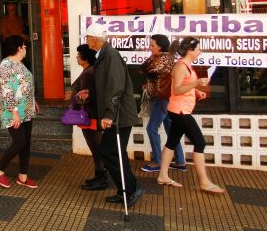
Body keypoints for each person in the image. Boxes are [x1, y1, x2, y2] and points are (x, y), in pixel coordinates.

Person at [85, 23, 144, 207]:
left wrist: (109, 115)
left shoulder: (110, 55)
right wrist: (91, 93)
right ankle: (127, 189)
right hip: (116, 114)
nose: (86, 40)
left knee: (108, 152)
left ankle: (130, 189)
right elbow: (106, 85)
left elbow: (115, 86)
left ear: (94, 39)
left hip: (118, 115)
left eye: (88, 37)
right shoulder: (104, 55)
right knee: (115, 152)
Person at [156, 37, 225, 194]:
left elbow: (182, 87)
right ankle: (204, 182)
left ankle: (163, 176)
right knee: (200, 142)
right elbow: (178, 89)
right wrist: (197, 83)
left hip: (179, 109)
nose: (200, 51)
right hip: (180, 111)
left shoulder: (186, 65)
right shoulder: (181, 66)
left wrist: (196, 91)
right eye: (198, 48)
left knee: (172, 142)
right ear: (190, 50)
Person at [0, 35, 39, 189]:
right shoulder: (6, 65)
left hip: (27, 109)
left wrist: (33, 101)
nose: (25, 49)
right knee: (20, 142)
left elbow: (25, 85)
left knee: (26, 144)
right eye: (24, 46)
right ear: (19, 48)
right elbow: (7, 90)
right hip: (13, 111)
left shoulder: (21, 64)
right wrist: (15, 112)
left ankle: (23, 177)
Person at [140, 34, 187, 172]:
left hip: (163, 98)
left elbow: (144, 68)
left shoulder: (163, 59)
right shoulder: (166, 57)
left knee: (151, 128)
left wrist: (152, 57)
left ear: (160, 47)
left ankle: (158, 161)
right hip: (165, 98)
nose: (150, 47)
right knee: (171, 130)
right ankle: (180, 161)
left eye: (153, 45)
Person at [65, 44, 107, 191]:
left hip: (90, 117)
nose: (76, 57)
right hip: (91, 116)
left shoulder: (88, 73)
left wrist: (75, 96)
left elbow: (87, 96)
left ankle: (101, 178)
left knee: (96, 148)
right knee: (96, 148)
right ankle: (99, 176)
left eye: (78, 54)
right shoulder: (89, 71)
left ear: (85, 57)